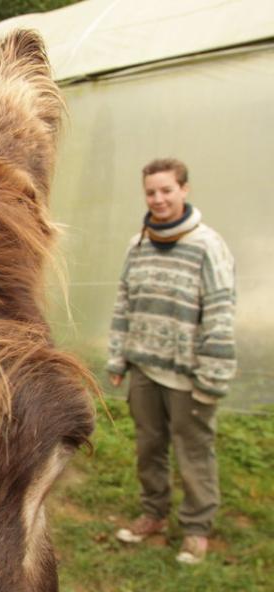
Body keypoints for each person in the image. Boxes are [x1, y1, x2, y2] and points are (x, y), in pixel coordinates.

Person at [106, 158, 236, 565]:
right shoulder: (138, 244)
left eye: (166, 190)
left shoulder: (207, 246)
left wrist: (211, 378)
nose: (158, 199)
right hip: (145, 370)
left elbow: (220, 314)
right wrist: (118, 359)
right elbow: (125, 302)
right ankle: (154, 514)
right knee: (149, 448)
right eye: (150, 192)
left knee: (193, 453)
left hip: (188, 378)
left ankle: (196, 528)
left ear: (185, 190)